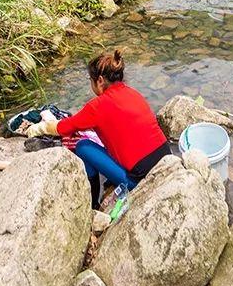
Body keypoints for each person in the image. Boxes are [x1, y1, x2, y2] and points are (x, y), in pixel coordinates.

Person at [25, 49, 171, 207]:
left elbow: (62, 128)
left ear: (100, 81)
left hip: (140, 180)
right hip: (167, 163)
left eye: (91, 80)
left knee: (83, 146)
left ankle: (93, 203)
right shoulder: (133, 94)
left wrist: (38, 129)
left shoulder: (97, 106)